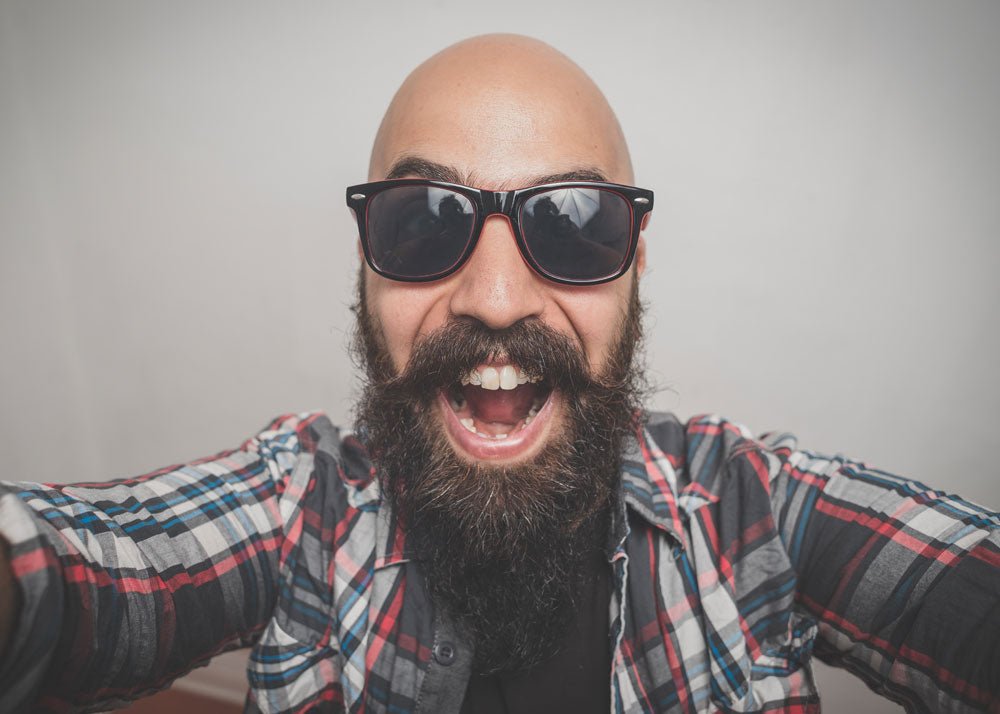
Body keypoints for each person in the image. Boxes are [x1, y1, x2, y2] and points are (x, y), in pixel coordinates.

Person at [0, 33, 996, 714]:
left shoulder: (754, 512)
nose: (496, 296)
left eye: (574, 224)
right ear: (366, 264)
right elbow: (90, 574)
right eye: (422, 221)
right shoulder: (301, 508)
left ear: (635, 264)